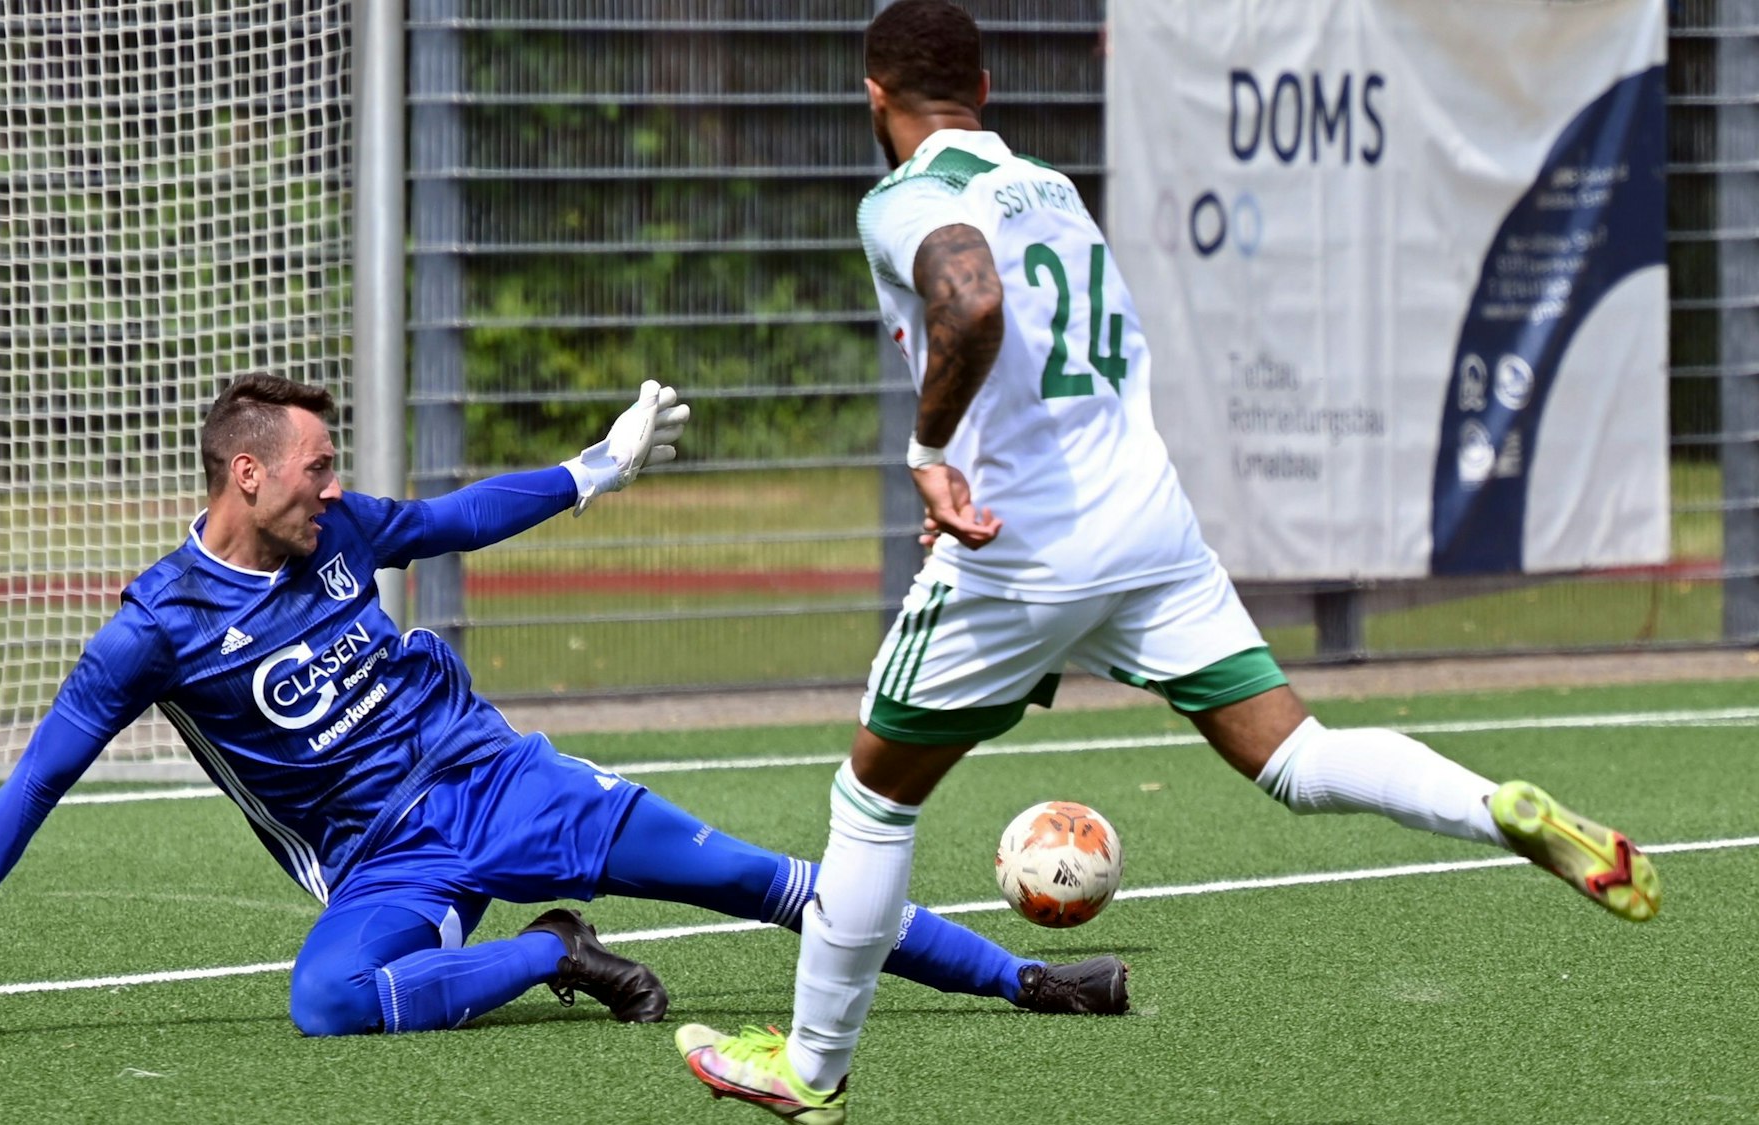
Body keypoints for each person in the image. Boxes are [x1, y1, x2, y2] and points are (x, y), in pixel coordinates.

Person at [675, 3, 1663, 1121]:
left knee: (871, 801)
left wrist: (929, 453)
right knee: (1294, 755)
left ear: (873, 96)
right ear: (986, 91)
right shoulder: (1047, 188)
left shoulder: (906, 196)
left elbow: (970, 299)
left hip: (1020, 553)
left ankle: (808, 1070)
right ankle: (1497, 809)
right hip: (1145, 526)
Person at [0, 372, 1129, 1037]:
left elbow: (458, 517)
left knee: (764, 881)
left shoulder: (340, 534)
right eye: (313, 468)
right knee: (327, 1005)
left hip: (505, 783)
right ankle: (550, 953)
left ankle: (1030, 980)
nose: (335, 488)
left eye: (334, 469)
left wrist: (601, 465)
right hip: (385, 859)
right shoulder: (150, 632)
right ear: (243, 475)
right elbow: (38, 776)